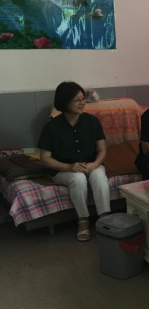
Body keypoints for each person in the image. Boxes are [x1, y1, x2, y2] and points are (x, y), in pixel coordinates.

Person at [38, 82, 110, 242]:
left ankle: (105, 218)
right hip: (63, 169)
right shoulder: (51, 127)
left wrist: (95, 164)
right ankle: (83, 220)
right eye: (77, 99)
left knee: (99, 176)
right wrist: (69, 166)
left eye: (83, 98)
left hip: (91, 164)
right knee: (78, 178)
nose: (82, 102)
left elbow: (101, 150)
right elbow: (45, 158)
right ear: (64, 102)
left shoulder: (93, 122)